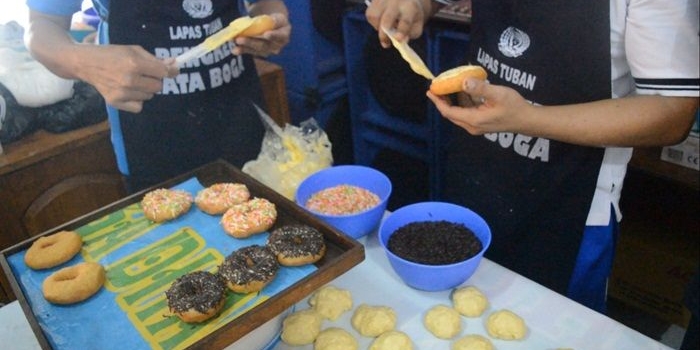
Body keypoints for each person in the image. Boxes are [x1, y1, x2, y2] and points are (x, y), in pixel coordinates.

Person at [366, 0, 699, 313]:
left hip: (569, 206)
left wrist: (527, 120)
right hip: (477, 173)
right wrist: (417, 6)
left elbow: (673, 112)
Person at [24, 0, 291, 192]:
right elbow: (41, 29)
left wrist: (271, 22)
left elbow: (266, 4)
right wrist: (83, 62)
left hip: (239, 112)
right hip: (152, 131)